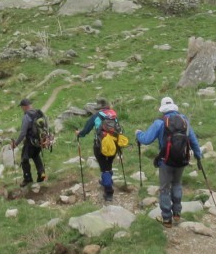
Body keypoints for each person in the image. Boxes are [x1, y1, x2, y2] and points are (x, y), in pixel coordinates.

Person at [135, 96, 203, 228]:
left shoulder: (159, 122)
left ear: (163, 109)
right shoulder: (184, 120)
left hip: (165, 160)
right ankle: (177, 214)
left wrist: (138, 134)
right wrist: (198, 157)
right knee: (177, 183)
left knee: (164, 188)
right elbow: (193, 140)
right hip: (182, 160)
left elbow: (146, 139)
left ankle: (166, 219)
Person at [75, 98, 119, 201]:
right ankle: (106, 180)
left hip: (100, 145)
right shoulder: (113, 115)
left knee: (104, 168)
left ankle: (108, 192)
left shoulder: (96, 116)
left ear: (99, 108)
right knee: (109, 164)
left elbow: (86, 130)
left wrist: (79, 134)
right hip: (114, 144)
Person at [13, 98, 46, 187]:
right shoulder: (39, 113)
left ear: (24, 107)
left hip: (30, 142)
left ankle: (27, 179)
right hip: (40, 141)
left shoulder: (27, 116)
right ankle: (41, 174)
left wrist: (16, 143)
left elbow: (23, 132)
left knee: (24, 159)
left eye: (22, 107)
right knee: (35, 156)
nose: (22, 109)